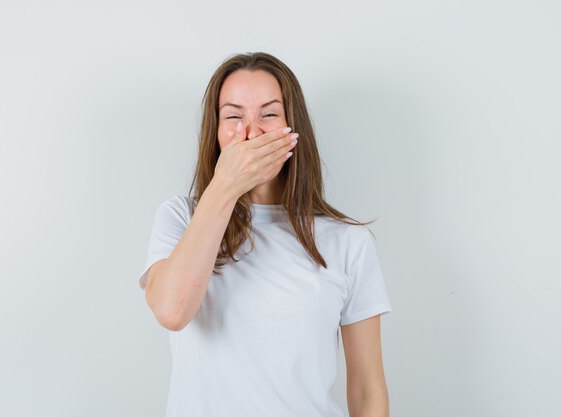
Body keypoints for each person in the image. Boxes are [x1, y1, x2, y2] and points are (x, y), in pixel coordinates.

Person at [138, 52, 393, 417]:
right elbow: (171, 311)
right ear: (216, 131)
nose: (251, 131)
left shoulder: (347, 242)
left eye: (269, 114)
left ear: (293, 126)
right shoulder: (180, 218)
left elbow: (368, 389)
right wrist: (226, 186)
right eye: (233, 116)